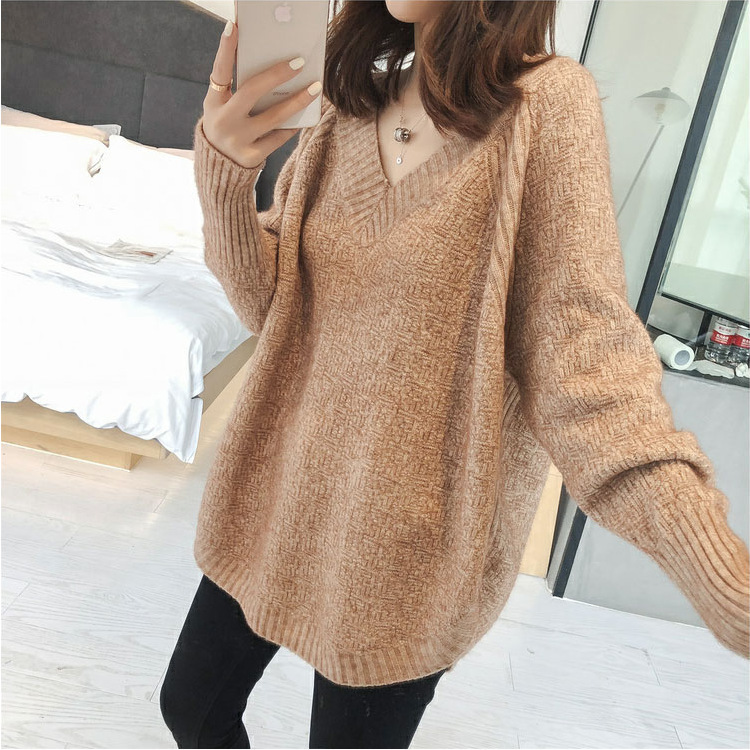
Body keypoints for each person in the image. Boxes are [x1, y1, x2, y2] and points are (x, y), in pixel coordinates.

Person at [160, 1, 750, 748]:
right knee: (191, 707)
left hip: (406, 559)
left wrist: (725, 581)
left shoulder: (546, 107)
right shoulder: (350, 103)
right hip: (274, 498)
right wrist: (226, 175)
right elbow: (274, 312)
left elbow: (587, 374)